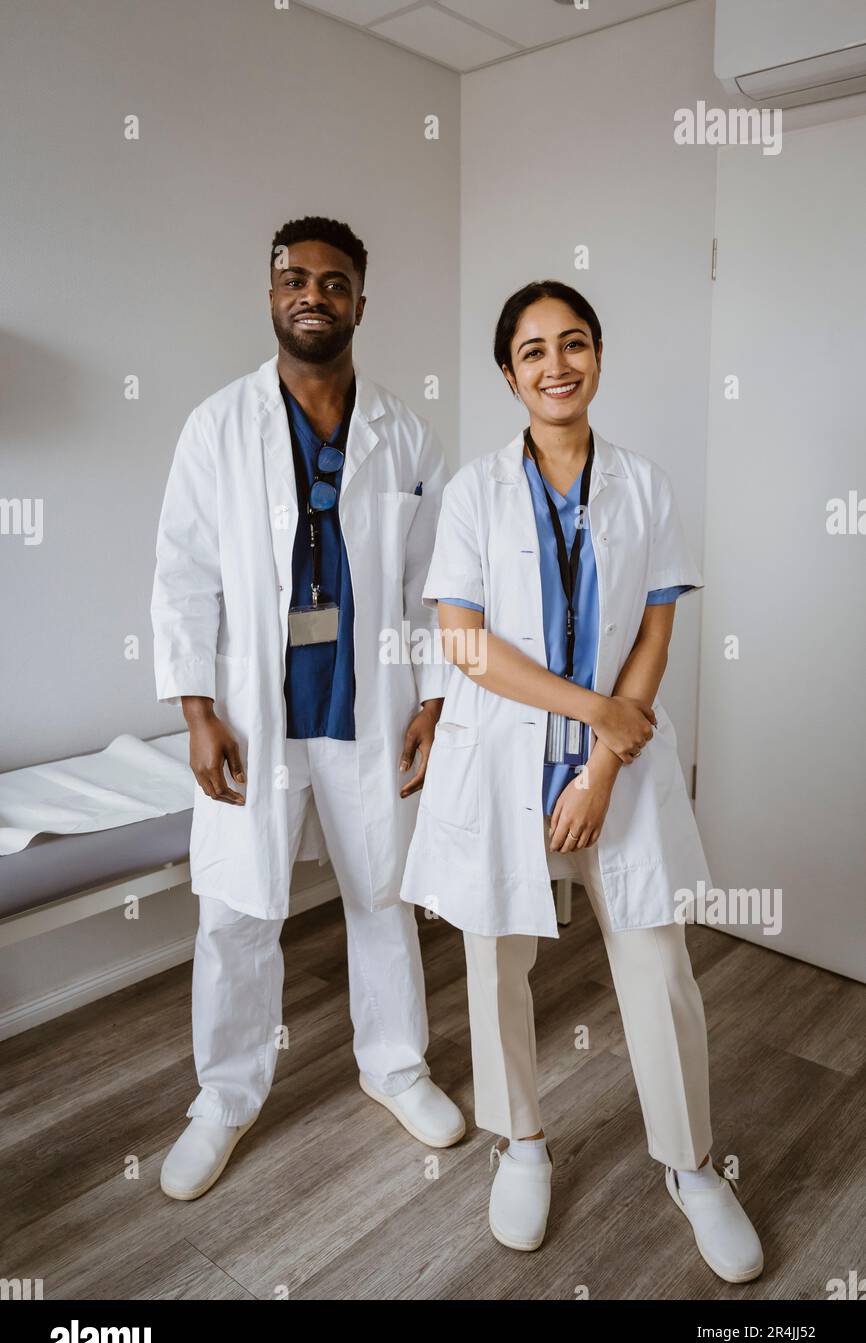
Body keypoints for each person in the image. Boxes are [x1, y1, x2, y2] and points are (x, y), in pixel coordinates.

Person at [400, 281, 764, 1283]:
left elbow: (652, 630)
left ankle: (690, 1165)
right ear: (506, 373)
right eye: (531, 350)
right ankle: (519, 1144)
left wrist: (603, 755)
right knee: (493, 961)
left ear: (597, 356)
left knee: (655, 962)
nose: (553, 363)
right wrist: (592, 707)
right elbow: (463, 641)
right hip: (501, 761)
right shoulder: (472, 492)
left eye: (572, 343)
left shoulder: (642, 484)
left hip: (617, 767)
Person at [151, 216, 464, 1201]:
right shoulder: (217, 426)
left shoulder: (406, 432)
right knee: (237, 907)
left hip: (369, 702)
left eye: (334, 283)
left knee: (380, 891)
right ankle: (225, 1096)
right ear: (271, 292)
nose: (313, 295)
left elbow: (433, 582)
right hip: (255, 710)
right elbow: (181, 576)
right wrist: (197, 708)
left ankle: (395, 1065)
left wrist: (437, 698)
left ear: (360, 303)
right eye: (295, 278)